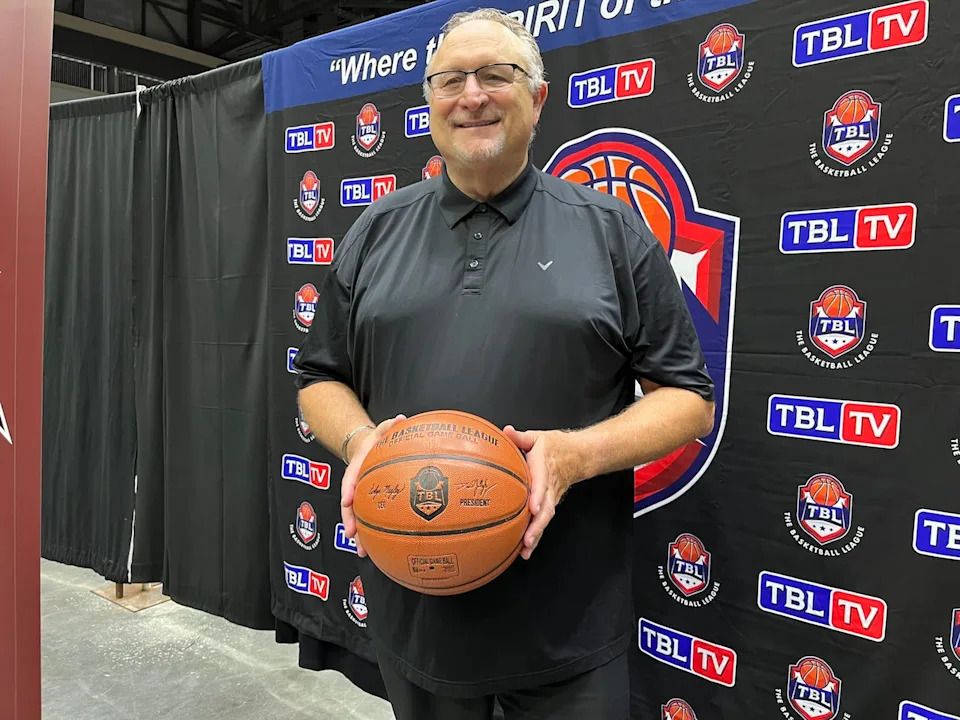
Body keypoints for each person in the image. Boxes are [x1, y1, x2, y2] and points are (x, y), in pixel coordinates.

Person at [294, 8, 715, 719]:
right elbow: (320, 377)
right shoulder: (375, 231)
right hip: (417, 611)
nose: (472, 95)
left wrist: (576, 455)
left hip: (567, 626)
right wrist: (363, 442)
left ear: (538, 97)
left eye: (497, 75)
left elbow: (688, 399)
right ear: (429, 102)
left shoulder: (610, 229)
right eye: (451, 79)